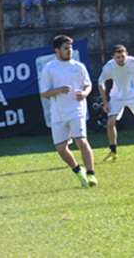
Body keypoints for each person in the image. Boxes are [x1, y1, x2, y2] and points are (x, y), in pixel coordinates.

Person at [38, 35, 97, 188]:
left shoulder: (78, 66)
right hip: (58, 114)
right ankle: (78, 171)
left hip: (77, 110)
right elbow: (44, 94)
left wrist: (84, 94)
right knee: (60, 148)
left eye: (70, 48)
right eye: (66, 48)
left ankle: (91, 174)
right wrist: (59, 90)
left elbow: (88, 85)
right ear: (57, 50)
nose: (69, 51)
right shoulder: (49, 68)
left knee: (81, 141)